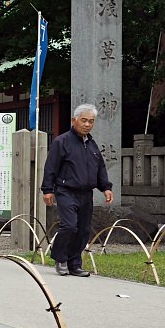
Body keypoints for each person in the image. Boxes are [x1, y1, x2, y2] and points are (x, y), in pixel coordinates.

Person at [41, 103, 114, 277]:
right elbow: (51, 167)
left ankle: (74, 263)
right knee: (69, 225)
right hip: (66, 190)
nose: (87, 124)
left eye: (91, 121)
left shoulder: (92, 144)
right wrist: (47, 189)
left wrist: (106, 187)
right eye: (84, 120)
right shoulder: (62, 142)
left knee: (83, 230)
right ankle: (61, 259)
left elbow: (100, 167)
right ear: (74, 120)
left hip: (86, 193)